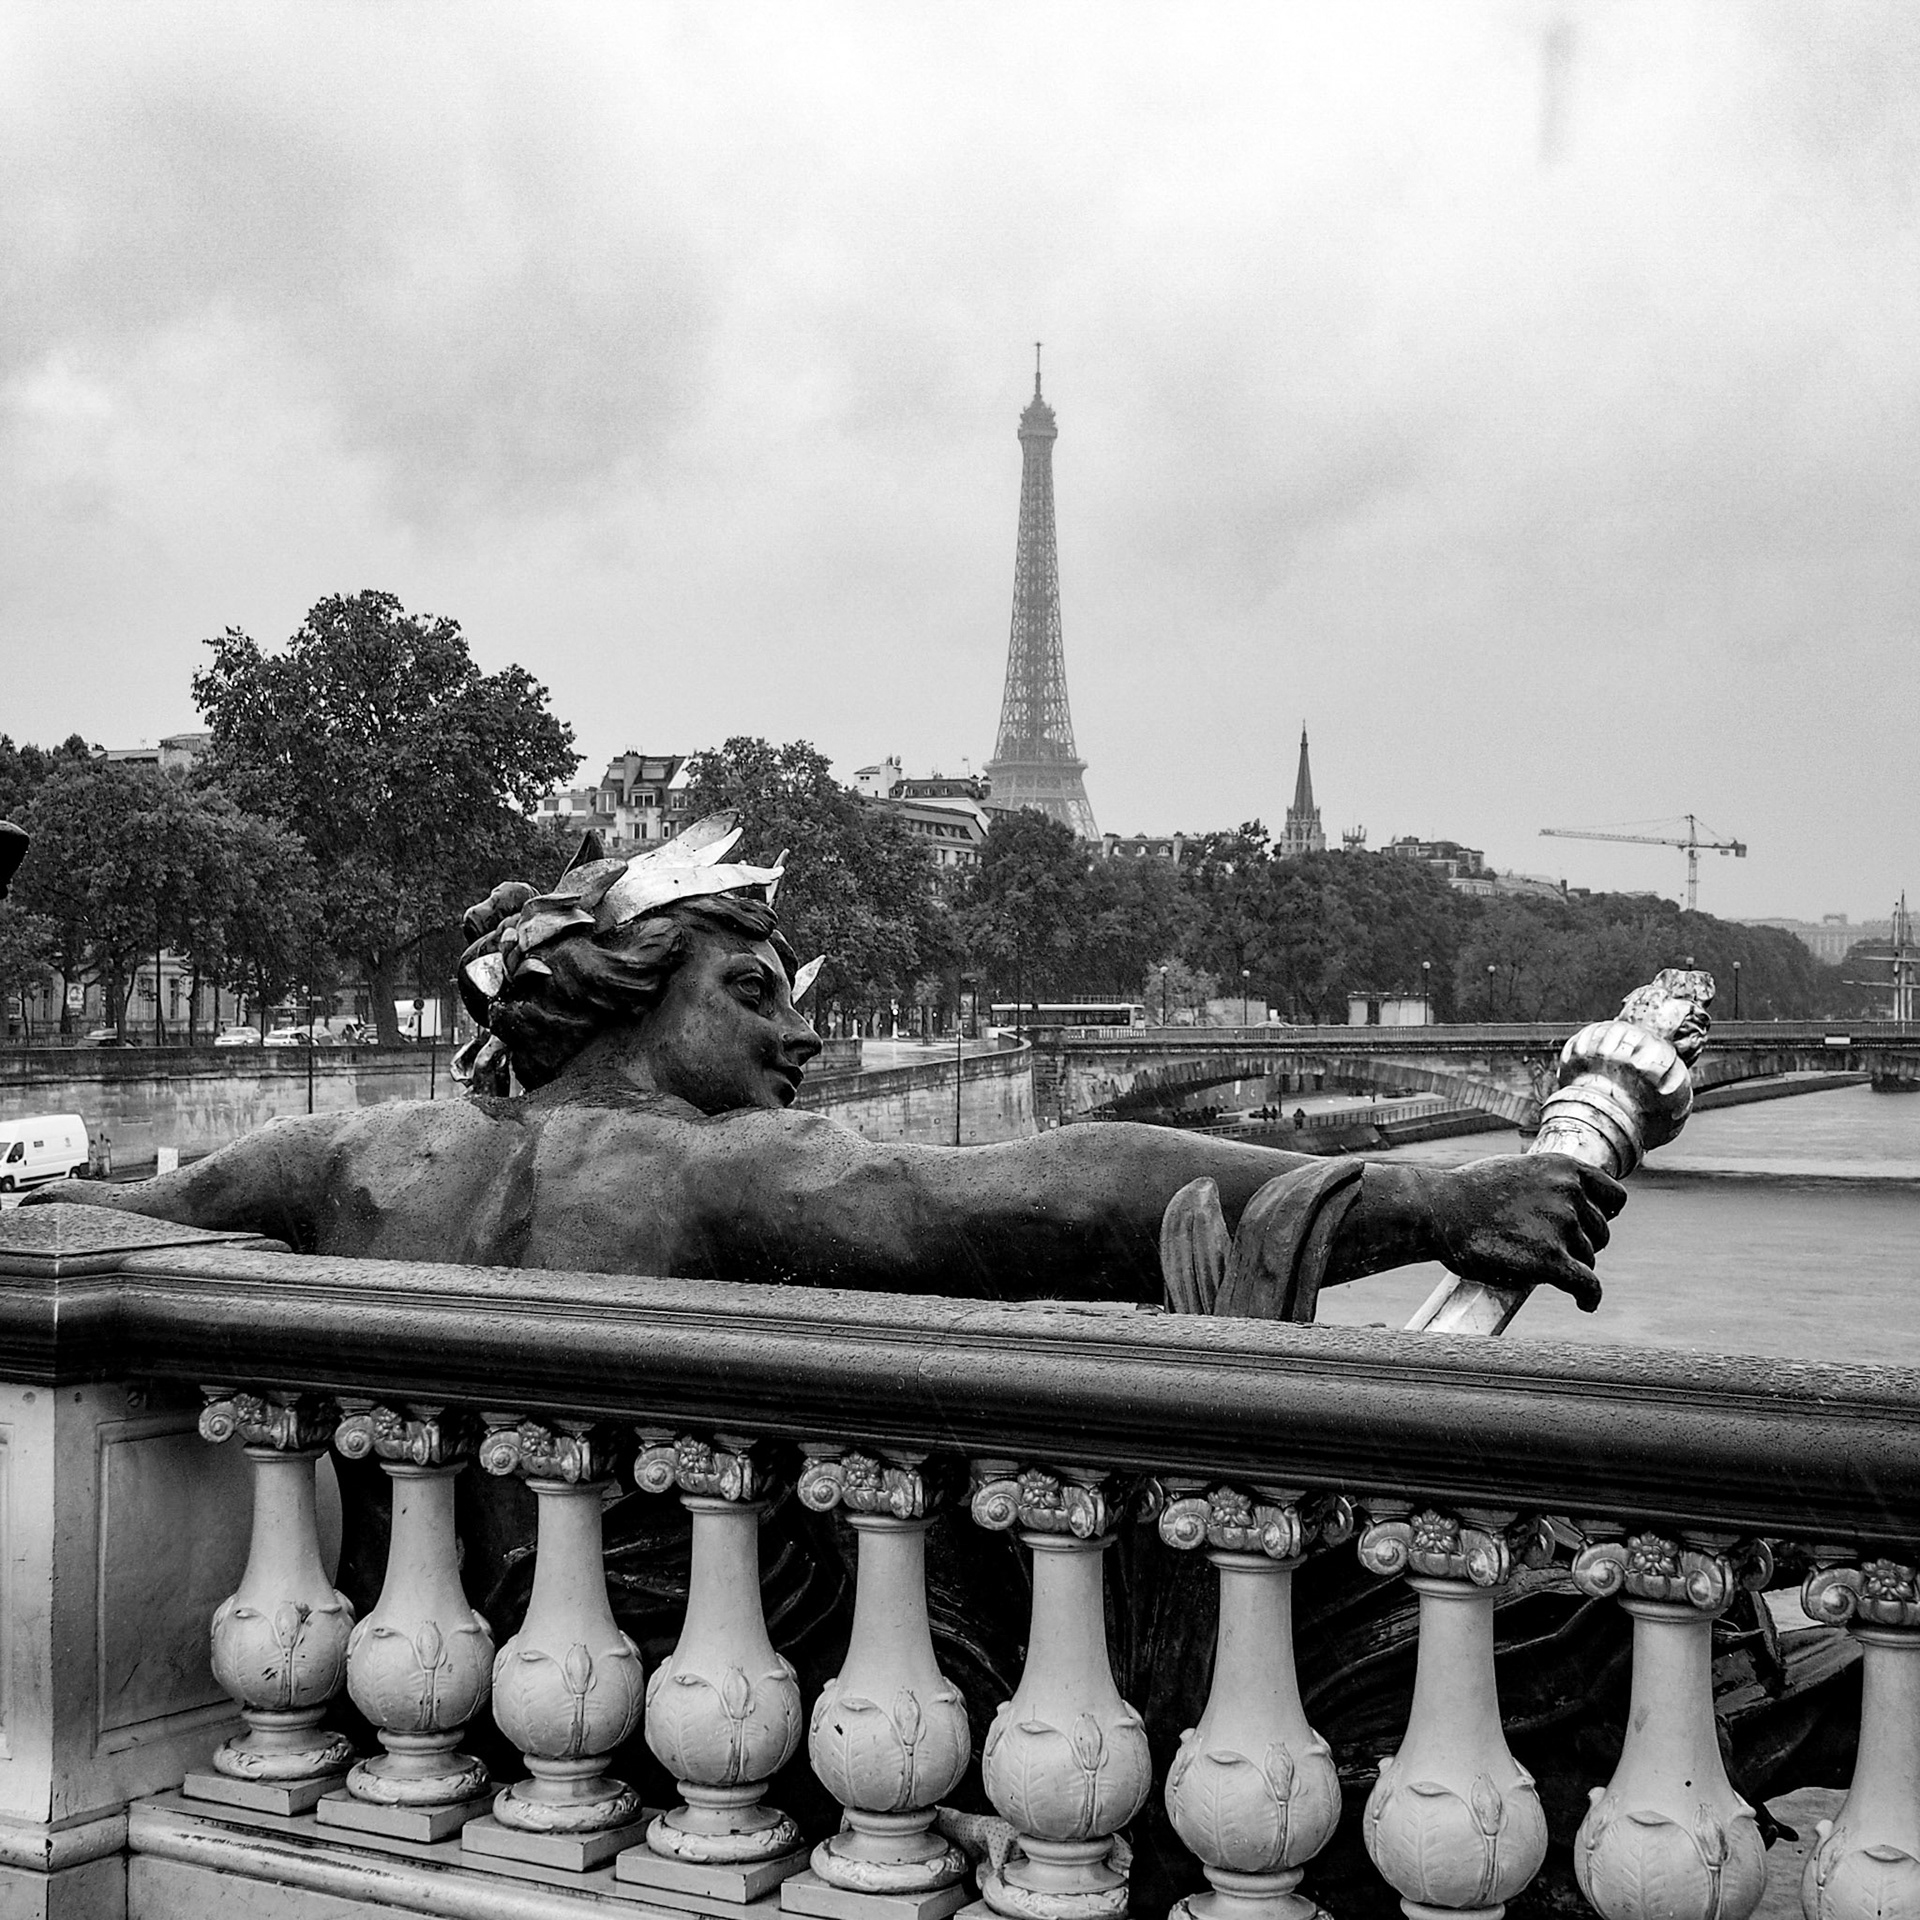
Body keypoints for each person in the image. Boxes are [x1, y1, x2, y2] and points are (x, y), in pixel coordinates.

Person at [35, 819, 1624, 1317]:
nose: (802, 1035)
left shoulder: (353, 1158)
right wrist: (1437, 1196)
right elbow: (1062, 1188)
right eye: (752, 992)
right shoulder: (722, 1168)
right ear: (631, 995)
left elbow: (94, 1227)